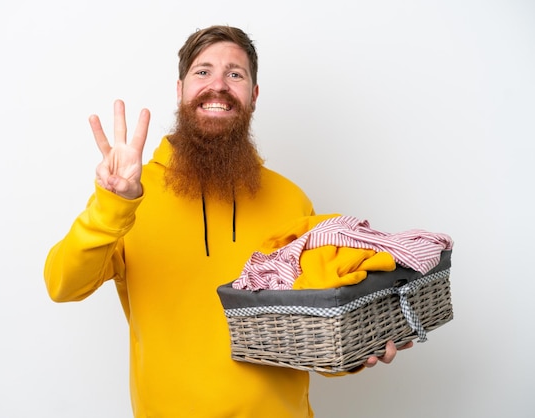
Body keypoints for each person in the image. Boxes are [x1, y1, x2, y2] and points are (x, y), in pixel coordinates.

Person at [44, 25, 410, 418]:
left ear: (252, 96)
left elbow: (311, 325)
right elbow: (63, 284)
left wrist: (355, 351)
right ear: (180, 89)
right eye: (203, 72)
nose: (217, 85)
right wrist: (113, 204)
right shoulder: (132, 195)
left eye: (235, 74)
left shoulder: (291, 200)